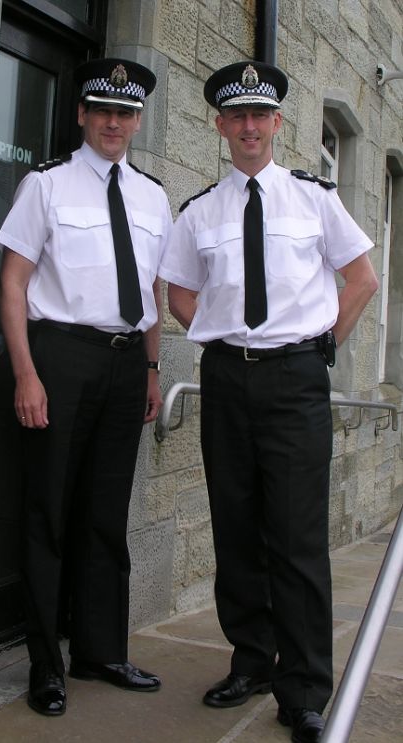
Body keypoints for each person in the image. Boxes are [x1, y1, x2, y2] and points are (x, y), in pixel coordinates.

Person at [159, 60, 378, 743]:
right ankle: (251, 661)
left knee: (297, 539)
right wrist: (219, 334)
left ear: (277, 124)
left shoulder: (314, 197)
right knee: (236, 529)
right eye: (237, 116)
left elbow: (362, 278)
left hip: (296, 381)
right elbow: (177, 292)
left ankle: (306, 686)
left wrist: (322, 346)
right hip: (228, 381)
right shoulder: (199, 210)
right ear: (221, 126)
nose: (249, 127)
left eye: (260, 115)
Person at [0, 57, 172, 717]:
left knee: (105, 514)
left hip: (129, 367)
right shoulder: (46, 186)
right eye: (103, 110)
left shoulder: (153, 195)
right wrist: (26, 372)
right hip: (61, 357)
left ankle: (99, 648)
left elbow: (152, 289)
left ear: (136, 121)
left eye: (125, 113)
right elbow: (13, 283)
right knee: (47, 513)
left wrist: (153, 369)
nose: (114, 122)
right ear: (82, 114)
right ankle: (46, 663)